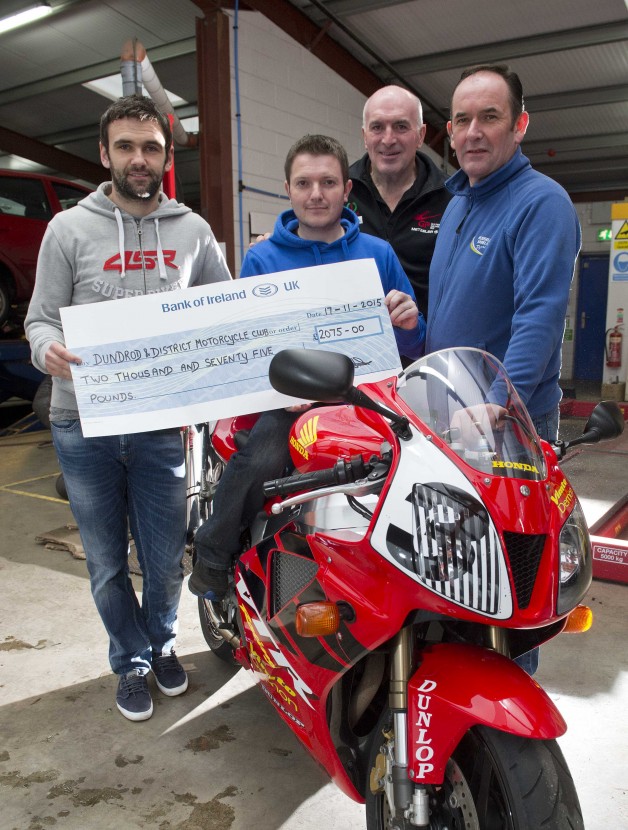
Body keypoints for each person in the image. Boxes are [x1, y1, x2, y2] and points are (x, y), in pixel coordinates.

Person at [25, 95, 232, 721]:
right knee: (109, 560)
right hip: (80, 424)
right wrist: (47, 351)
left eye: (150, 147)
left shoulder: (193, 232)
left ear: (166, 155)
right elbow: (38, 320)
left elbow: (225, 315)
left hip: (159, 427)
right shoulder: (68, 230)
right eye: (125, 146)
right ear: (104, 153)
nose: (138, 159)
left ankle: (164, 645)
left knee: (166, 555)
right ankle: (131, 661)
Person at [189, 133, 424, 600]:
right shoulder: (262, 258)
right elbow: (250, 345)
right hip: (287, 402)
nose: (316, 193)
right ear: (288, 189)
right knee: (262, 455)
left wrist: (411, 319)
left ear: (347, 189)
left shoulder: (378, 254)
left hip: (368, 400)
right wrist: (281, 392)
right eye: (304, 183)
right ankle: (212, 555)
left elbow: (414, 340)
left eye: (328, 182)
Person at [426, 64, 582, 674]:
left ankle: (509, 722)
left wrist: (496, 402)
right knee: (461, 566)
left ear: (520, 125)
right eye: (462, 119)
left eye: (489, 117)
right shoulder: (460, 203)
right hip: (451, 415)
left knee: (512, 581)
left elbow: (538, 318)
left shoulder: (541, 202)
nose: (473, 131)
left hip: (506, 421)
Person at [348, 85, 451, 317]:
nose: (388, 139)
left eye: (401, 126)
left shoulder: (452, 199)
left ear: (421, 135)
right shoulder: (340, 193)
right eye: (377, 127)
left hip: (426, 348)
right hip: (356, 347)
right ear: (365, 136)